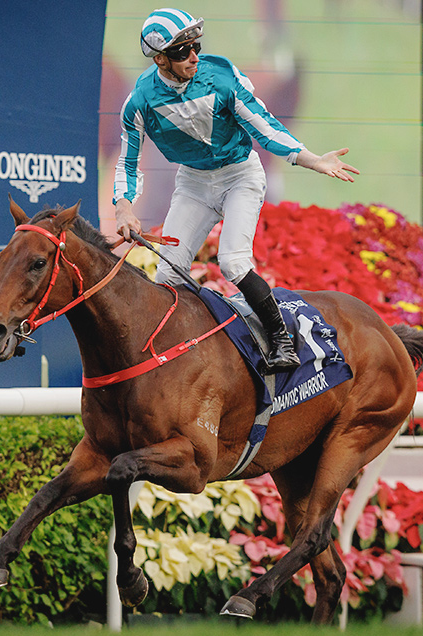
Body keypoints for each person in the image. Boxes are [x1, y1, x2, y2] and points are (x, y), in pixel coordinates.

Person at [114, 8, 359, 373]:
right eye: (182, 51)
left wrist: (313, 160)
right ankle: (184, 348)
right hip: (194, 182)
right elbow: (128, 161)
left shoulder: (222, 77)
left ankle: (281, 339)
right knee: (168, 275)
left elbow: (266, 128)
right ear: (160, 59)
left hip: (240, 176)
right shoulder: (140, 101)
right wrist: (123, 207)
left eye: (195, 46)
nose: (193, 56)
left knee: (233, 262)